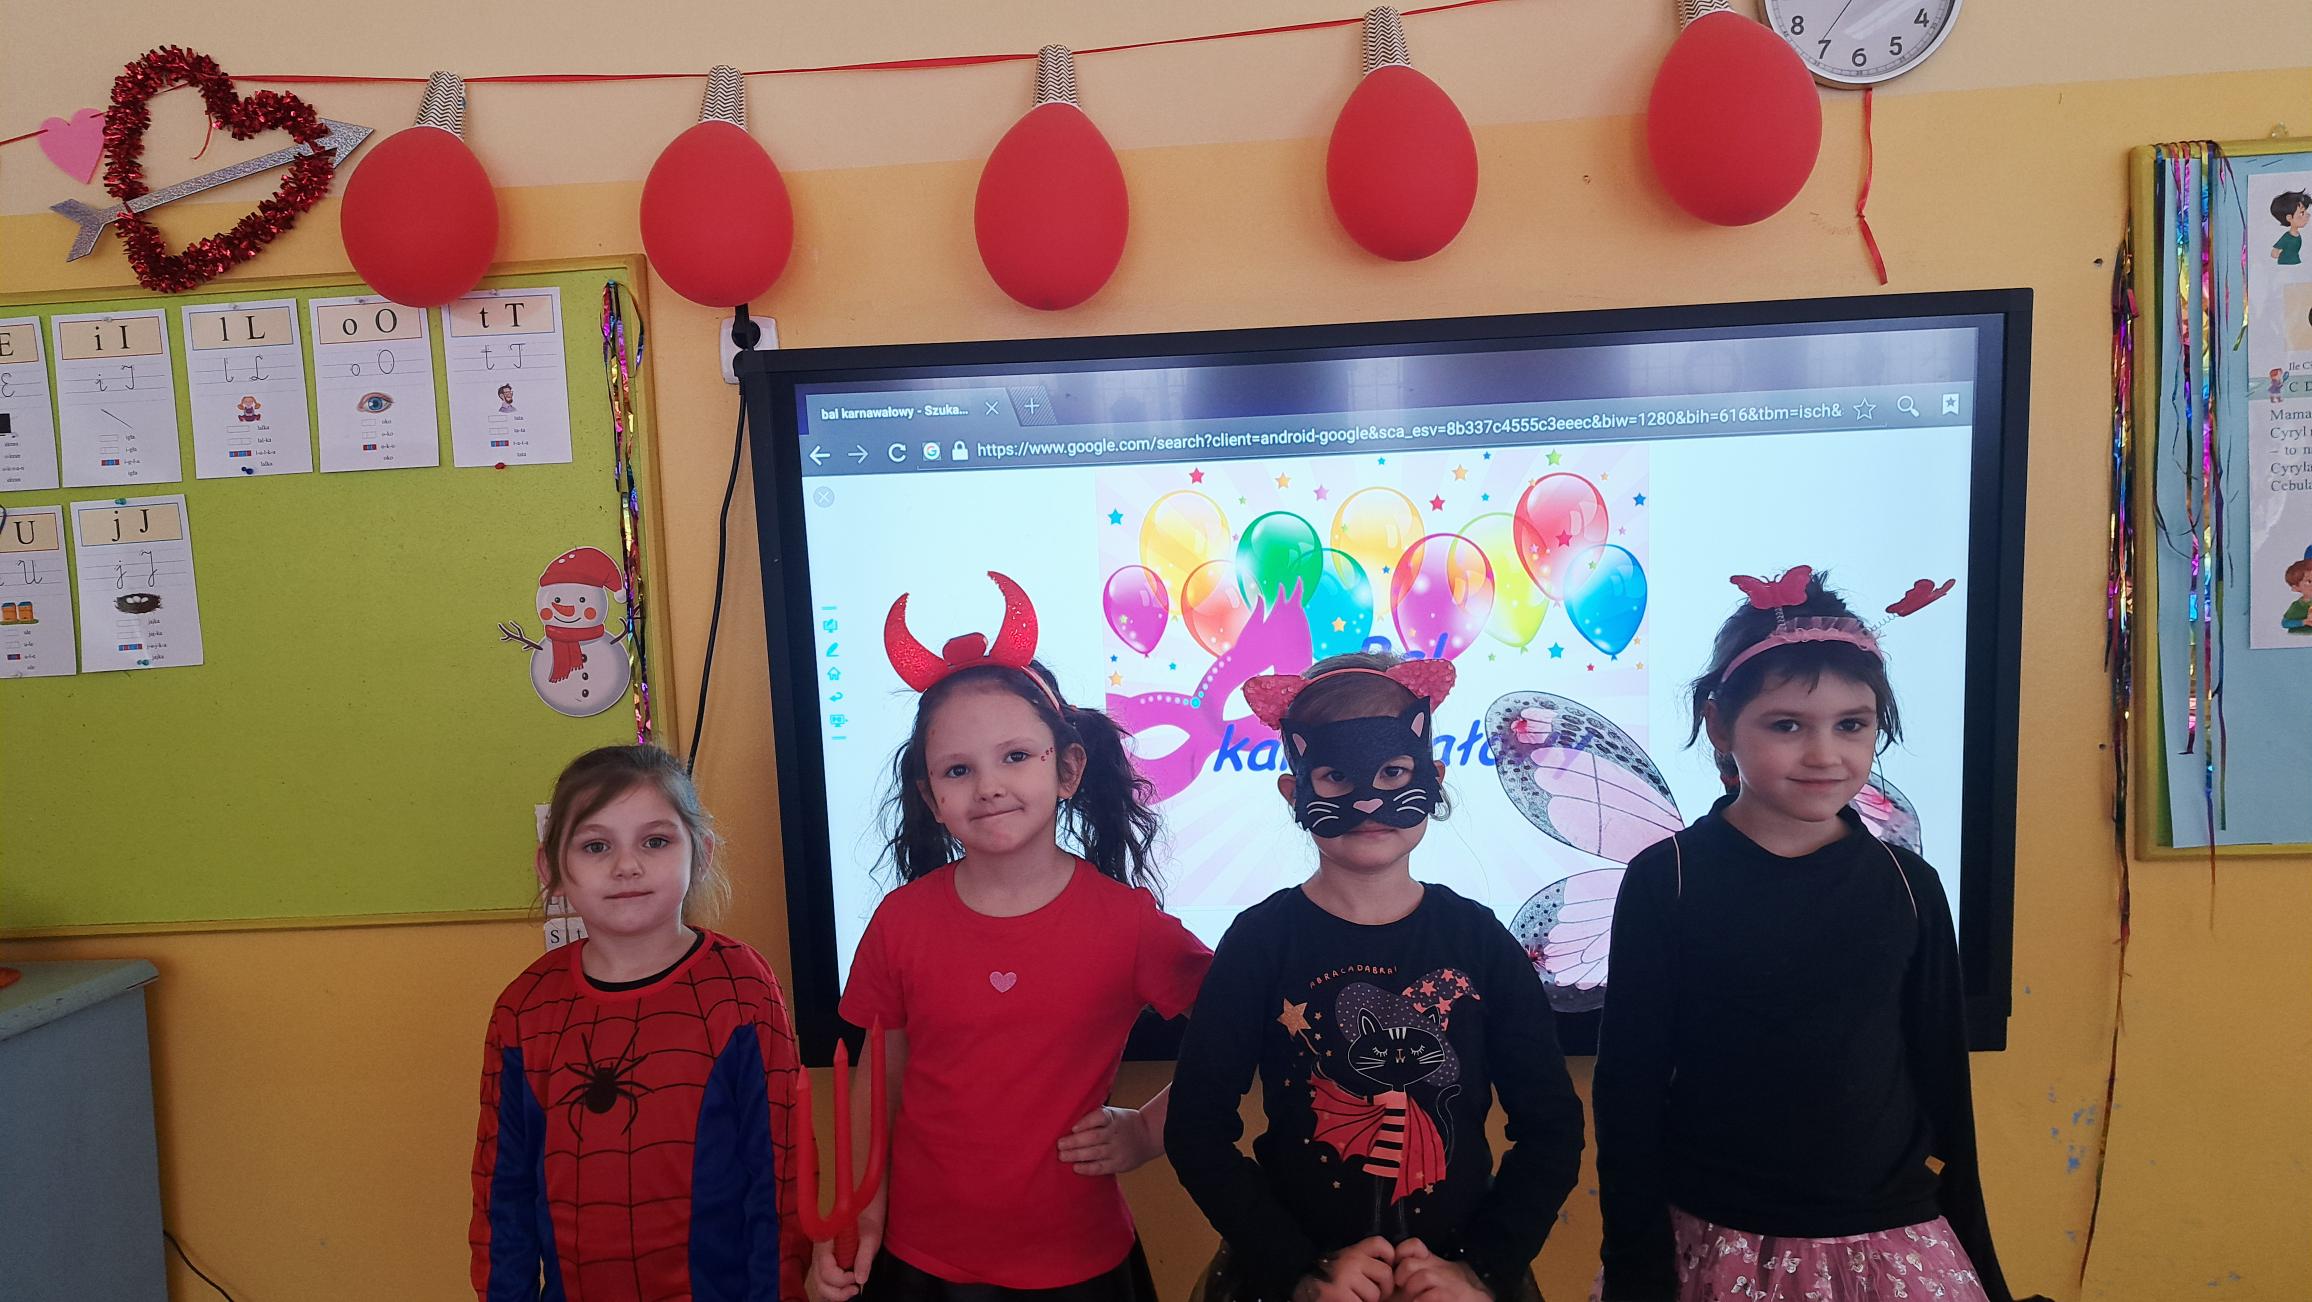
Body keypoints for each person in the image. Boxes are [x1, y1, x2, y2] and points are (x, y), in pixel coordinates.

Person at [1592, 567, 2019, 1302]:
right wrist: (1637, 1270)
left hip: (1891, 1240)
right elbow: (1627, 1091)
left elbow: (1947, 1088)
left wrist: (1983, 1263)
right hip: (1722, 1239)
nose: (1826, 755)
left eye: (1852, 725)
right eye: (1787, 725)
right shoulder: (1669, 879)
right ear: (1720, 725)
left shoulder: (1909, 886)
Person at [810, 573, 1212, 1302]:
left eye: (1015, 756)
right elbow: (878, 1080)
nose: (989, 786)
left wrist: (1149, 1131)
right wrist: (860, 1211)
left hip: (1081, 1267)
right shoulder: (902, 921)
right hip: (920, 1266)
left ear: (1068, 769)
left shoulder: (1127, 925)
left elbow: (1240, 1029)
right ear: (931, 797)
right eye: (958, 770)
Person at [1167, 652, 1586, 1302]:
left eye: (1393, 771)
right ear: (1295, 793)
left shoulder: (1479, 942)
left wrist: (1483, 1267)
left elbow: (1552, 1126)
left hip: (1456, 1282)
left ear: (1433, 779)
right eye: (1335, 775)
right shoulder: (1259, 943)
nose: (1367, 800)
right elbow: (1196, 1129)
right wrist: (1298, 1269)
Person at [470, 744, 805, 1301]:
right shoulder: (525, 1008)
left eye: (655, 841)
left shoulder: (740, 986)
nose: (626, 866)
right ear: (551, 869)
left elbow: (778, 1172)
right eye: (596, 845)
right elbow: (501, 1192)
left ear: (700, 852)